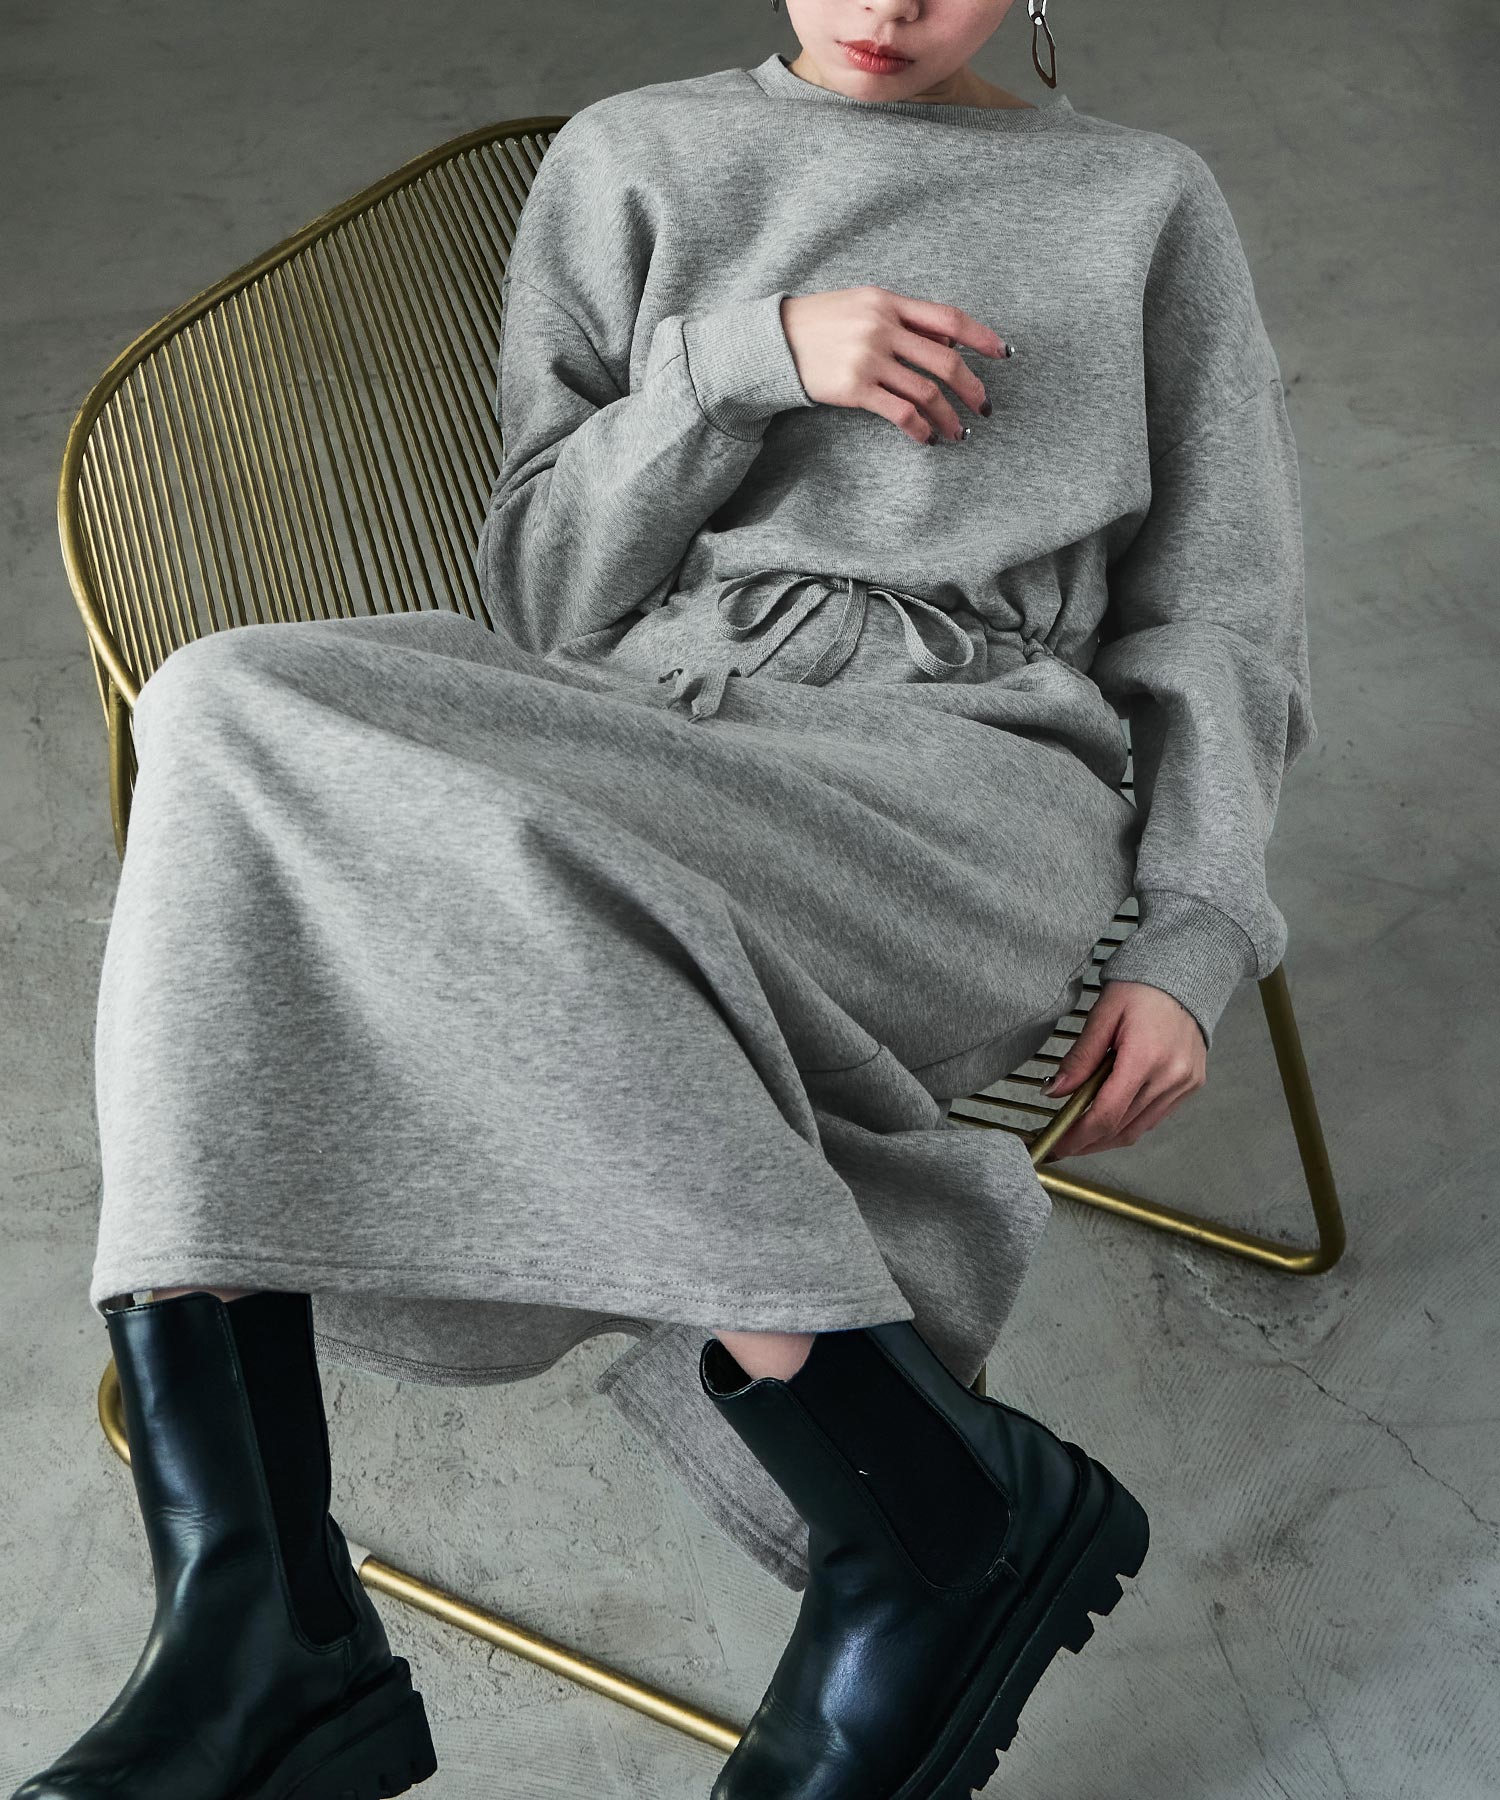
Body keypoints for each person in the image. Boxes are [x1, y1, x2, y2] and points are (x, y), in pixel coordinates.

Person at [13, 1, 1318, 1795]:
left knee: (472, 879)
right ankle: (260, 1602)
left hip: (956, 789)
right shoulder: (634, 158)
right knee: (224, 698)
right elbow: (549, 600)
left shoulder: (1140, 198)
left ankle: (889, 1520)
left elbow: (1223, 613)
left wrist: (1194, 928)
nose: (883, 6)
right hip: (648, 724)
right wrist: (741, 362)